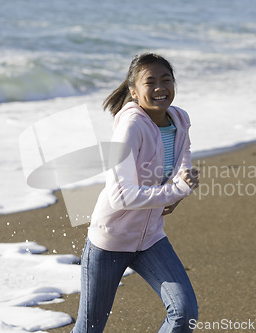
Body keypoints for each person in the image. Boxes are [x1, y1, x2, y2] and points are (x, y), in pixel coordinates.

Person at [72, 53, 199, 333]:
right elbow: (121, 196)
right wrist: (174, 191)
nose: (159, 88)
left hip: (151, 238)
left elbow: (183, 156)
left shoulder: (179, 119)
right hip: (110, 242)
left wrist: (180, 188)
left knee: (184, 313)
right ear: (134, 92)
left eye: (166, 80)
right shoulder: (131, 126)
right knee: (89, 329)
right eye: (150, 82)